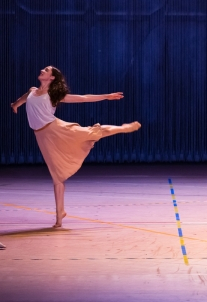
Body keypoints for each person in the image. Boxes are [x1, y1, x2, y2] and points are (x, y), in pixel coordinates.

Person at [11, 66, 141, 227]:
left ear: (51, 78)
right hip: (43, 136)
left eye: (46, 70)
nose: (42, 70)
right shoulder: (31, 91)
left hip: (57, 129)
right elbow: (22, 99)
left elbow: (83, 98)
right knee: (57, 175)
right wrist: (15, 105)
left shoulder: (53, 94)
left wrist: (106, 96)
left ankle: (123, 128)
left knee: (91, 132)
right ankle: (60, 214)